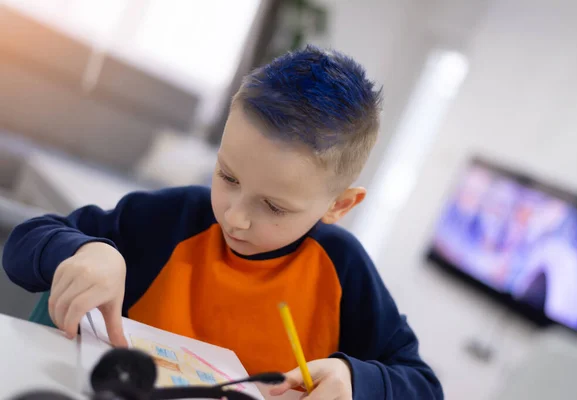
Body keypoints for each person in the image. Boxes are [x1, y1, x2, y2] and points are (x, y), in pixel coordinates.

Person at [2, 45, 442, 399]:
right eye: (227, 176)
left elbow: (424, 386)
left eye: (273, 207)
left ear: (340, 206)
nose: (235, 217)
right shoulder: (169, 220)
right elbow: (22, 244)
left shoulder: (344, 270)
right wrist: (85, 250)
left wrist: (353, 379)